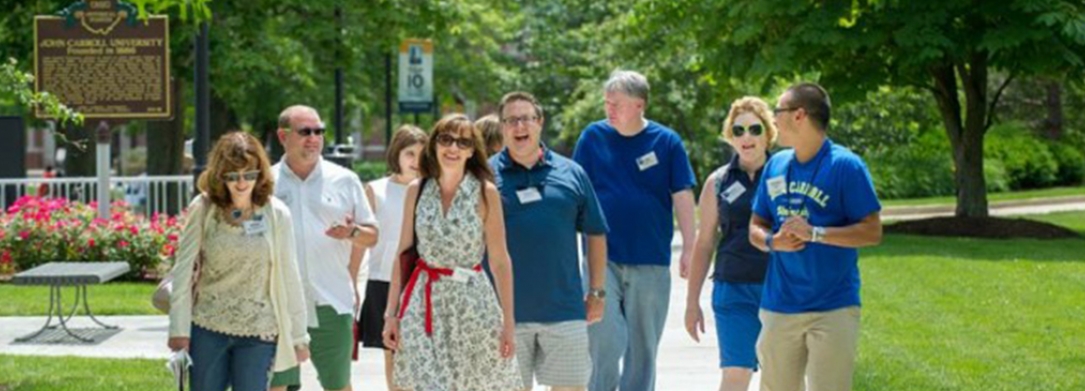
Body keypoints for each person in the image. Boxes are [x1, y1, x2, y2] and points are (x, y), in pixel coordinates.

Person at [749, 83, 883, 391]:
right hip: (779, 306)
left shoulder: (846, 166)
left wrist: (816, 234)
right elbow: (756, 225)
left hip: (832, 307)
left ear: (799, 115)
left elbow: (872, 231)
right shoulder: (776, 165)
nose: (773, 119)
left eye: (777, 111)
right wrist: (772, 241)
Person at [572, 70, 697, 391]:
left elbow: (682, 194)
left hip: (651, 259)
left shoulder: (666, 142)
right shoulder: (592, 137)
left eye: (617, 104)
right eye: (606, 103)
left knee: (643, 349)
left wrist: (691, 249)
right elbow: (575, 191)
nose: (608, 110)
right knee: (602, 340)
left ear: (639, 105)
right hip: (602, 259)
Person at [382, 113, 521, 391]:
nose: (453, 148)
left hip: (472, 303)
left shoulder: (485, 192)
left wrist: (508, 322)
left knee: (476, 384)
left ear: (472, 151)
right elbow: (402, 254)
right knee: (422, 383)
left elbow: (500, 261)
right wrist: (391, 314)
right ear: (434, 144)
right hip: (424, 302)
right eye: (446, 139)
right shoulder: (417, 189)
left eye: (462, 142)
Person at [167, 132, 310, 391]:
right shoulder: (204, 209)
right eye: (233, 176)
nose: (242, 183)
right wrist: (178, 329)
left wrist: (299, 336)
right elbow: (183, 270)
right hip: (207, 326)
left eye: (249, 174)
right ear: (221, 176)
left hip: (260, 329)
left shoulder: (276, 213)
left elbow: (290, 275)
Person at [490, 92, 609, 391]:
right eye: (512, 120)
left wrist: (596, 291)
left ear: (540, 123)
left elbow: (595, 232)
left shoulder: (572, 173)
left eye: (527, 119)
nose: (520, 127)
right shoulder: (485, 176)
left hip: (564, 311)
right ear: (503, 127)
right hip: (503, 314)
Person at [270, 105, 379, 391]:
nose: (314, 138)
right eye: (305, 132)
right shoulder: (265, 183)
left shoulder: (344, 179)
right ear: (283, 136)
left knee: (339, 385)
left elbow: (372, 236)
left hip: (331, 300)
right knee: (277, 387)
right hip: (278, 304)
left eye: (319, 131)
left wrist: (352, 232)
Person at [684, 97, 776, 391]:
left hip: (781, 288)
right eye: (738, 131)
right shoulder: (718, 182)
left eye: (754, 128)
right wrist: (691, 303)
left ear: (768, 133)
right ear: (730, 136)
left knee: (781, 377)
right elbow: (704, 243)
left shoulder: (786, 174)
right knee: (736, 374)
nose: (746, 137)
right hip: (733, 289)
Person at [358, 124, 427, 390]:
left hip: (421, 282)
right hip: (383, 280)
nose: (416, 161)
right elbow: (361, 245)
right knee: (393, 353)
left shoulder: (430, 190)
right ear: (396, 154)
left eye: (422, 154)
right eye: (409, 153)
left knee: (422, 355)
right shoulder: (375, 190)